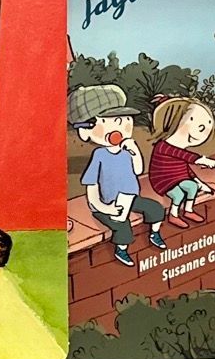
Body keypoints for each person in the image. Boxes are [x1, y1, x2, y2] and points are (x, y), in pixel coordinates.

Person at [69, 83, 166, 268]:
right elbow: (92, 187)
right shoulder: (99, 155)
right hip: (107, 204)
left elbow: (138, 170)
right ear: (85, 130)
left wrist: (134, 150)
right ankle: (121, 250)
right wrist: (105, 208)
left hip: (130, 198)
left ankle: (154, 233)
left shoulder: (126, 150)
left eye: (125, 120)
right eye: (112, 121)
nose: (122, 127)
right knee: (123, 228)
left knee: (155, 209)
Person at [147, 96, 215, 228]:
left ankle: (188, 210)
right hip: (163, 180)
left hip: (178, 177)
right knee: (178, 194)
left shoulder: (180, 149)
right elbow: (182, 155)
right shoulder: (163, 146)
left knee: (192, 187)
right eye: (191, 119)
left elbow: (185, 169)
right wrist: (201, 160)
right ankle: (173, 215)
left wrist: (200, 183)